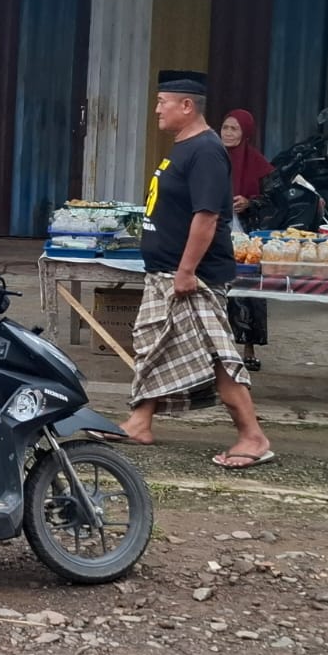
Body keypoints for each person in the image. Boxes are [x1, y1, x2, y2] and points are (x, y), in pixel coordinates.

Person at [117, 71, 272, 470]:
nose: (156, 110)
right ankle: (140, 421)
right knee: (155, 347)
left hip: (191, 276)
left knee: (217, 356)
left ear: (187, 106)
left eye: (161, 102)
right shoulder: (182, 147)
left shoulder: (205, 150)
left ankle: (252, 436)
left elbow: (207, 216)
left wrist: (186, 271)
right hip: (166, 271)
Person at [221, 109, 273, 371]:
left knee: (250, 291)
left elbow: (274, 200)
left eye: (234, 129)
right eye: (225, 128)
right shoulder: (212, 157)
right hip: (216, 232)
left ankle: (248, 347)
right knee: (219, 290)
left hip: (248, 236)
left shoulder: (257, 163)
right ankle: (219, 348)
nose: (228, 133)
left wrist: (250, 202)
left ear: (245, 133)